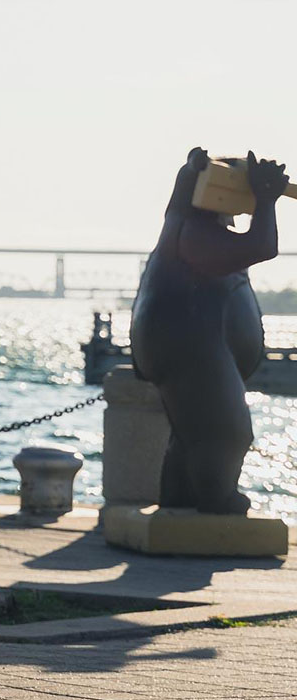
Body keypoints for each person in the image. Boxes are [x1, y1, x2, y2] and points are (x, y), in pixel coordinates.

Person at [130, 147, 288, 514]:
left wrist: (188, 175)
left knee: (189, 434)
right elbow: (262, 246)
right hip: (192, 342)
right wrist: (266, 201)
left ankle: (180, 496)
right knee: (227, 431)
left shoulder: (182, 221)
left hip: (184, 338)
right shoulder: (196, 233)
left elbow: (177, 202)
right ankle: (216, 499)